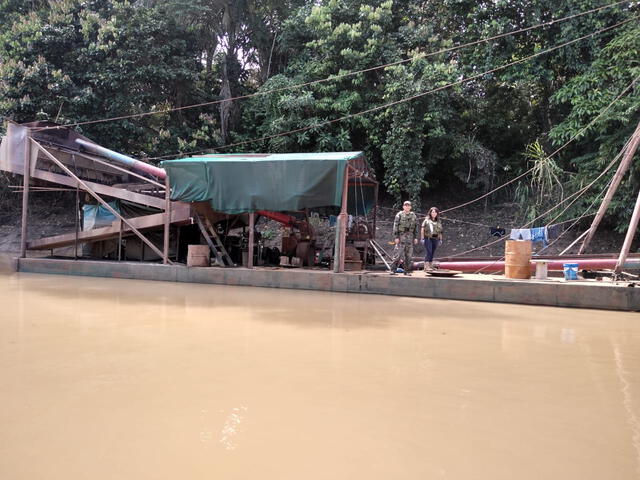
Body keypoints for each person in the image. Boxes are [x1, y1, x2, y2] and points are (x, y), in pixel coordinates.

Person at [390, 201, 418, 275]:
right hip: (401, 236)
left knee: (408, 255)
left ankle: (407, 271)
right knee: (397, 254)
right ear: (403, 207)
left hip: (410, 237)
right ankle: (393, 270)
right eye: (405, 205)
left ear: (410, 207)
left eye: (408, 205)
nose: (407, 207)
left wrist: (415, 237)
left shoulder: (413, 216)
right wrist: (396, 237)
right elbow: (395, 226)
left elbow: (416, 227)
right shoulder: (399, 215)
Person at [421, 206, 443, 271]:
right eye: (432, 212)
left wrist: (440, 239)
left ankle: (430, 265)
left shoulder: (438, 221)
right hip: (428, 238)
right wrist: (422, 238)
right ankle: (426, 266)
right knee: (429, 251)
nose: (434, 213)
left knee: (432, 252)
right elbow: (422, 229)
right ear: (430, 213)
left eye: (435, 212)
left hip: (435, 238)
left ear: (437, 213)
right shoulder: (426, 220)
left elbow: (440, 231)